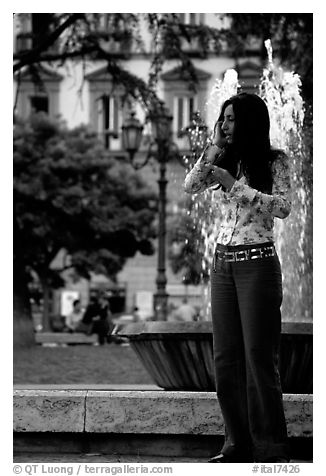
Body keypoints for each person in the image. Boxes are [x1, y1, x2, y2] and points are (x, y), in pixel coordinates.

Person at [184, 92, 291, 463]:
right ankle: (235, 443)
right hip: (223, 264)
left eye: (230, 119)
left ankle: (270, 446)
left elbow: (284, 208)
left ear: (248, 121)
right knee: (225, 358)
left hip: (257, 263)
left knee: (259, 357)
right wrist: (212, 148)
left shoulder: (276, 161)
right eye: (222, 118)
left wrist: (235, 185)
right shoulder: (221, 159)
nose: (225, 124)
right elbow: (189, 185)